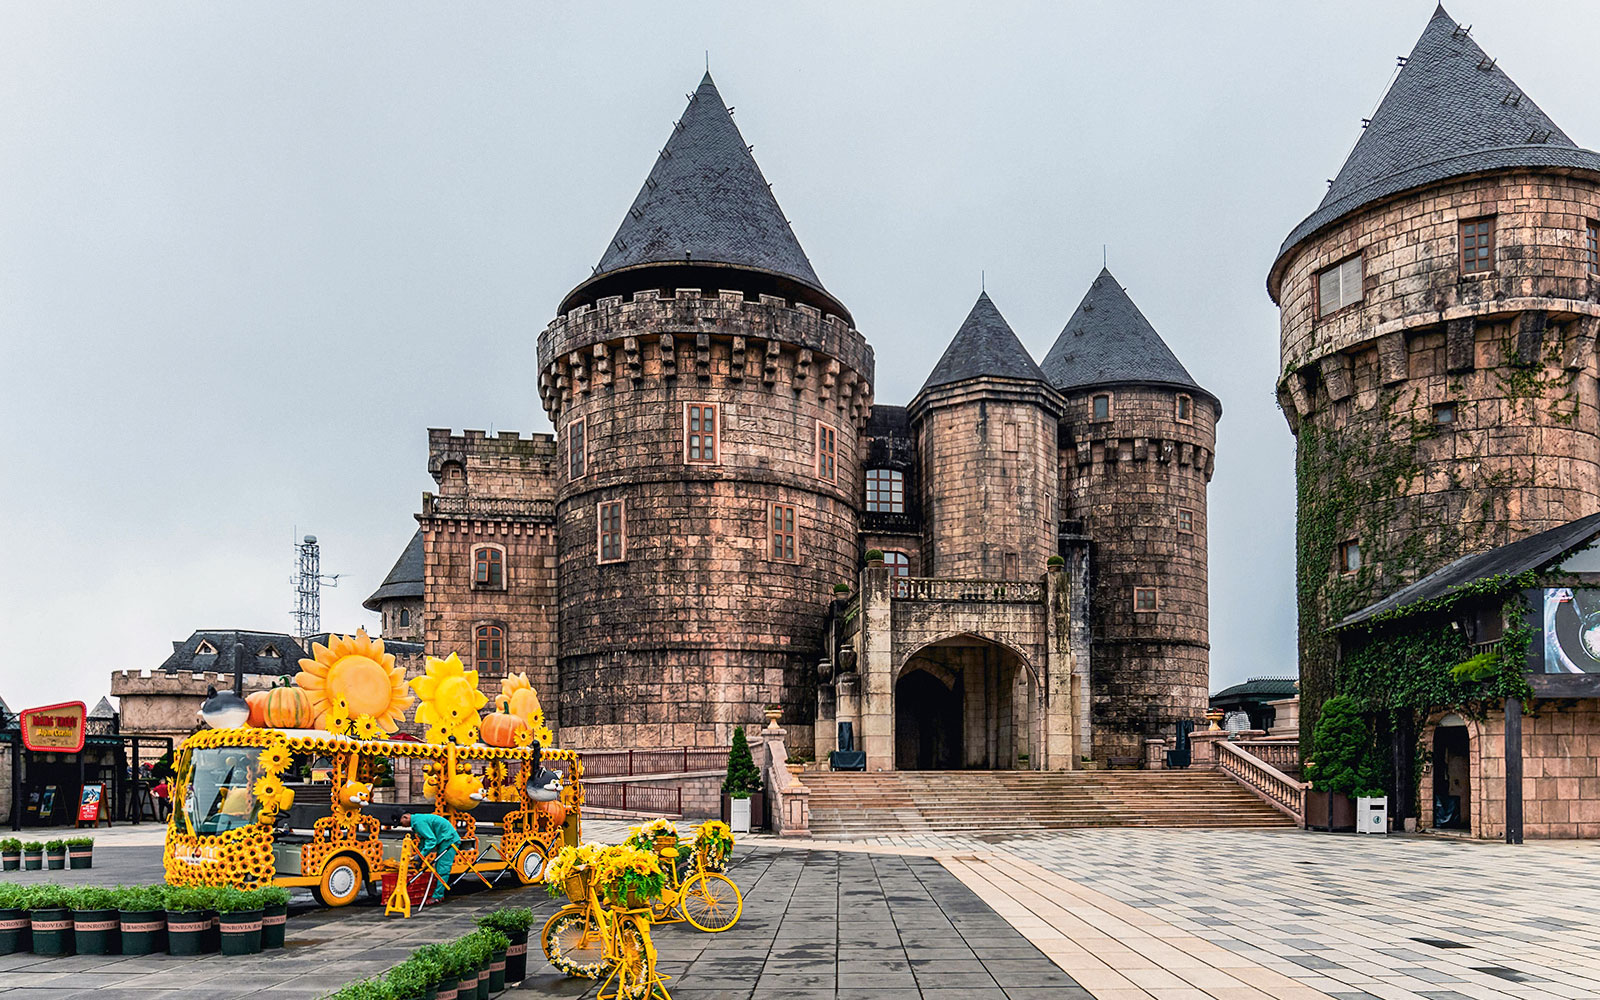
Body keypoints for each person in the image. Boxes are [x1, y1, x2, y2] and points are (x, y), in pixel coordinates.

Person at [399, 812, 460, 902]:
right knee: (440, 867)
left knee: (442, 868)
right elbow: (423, 841)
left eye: (401, 823)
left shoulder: (419, 822)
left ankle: (438, 896)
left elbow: (431, 840)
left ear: (406, 817)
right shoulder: (417, 821)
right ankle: (438, 894)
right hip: (445, 839)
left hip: (449, 840)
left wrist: (420, 856)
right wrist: (420, 858)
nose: (402, 826)